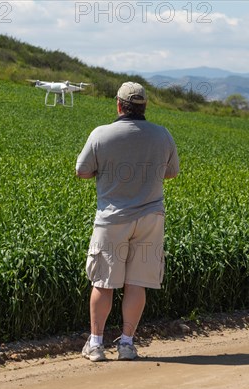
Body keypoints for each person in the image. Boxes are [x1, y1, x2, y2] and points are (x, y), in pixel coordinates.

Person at [76, 82, 179, 361]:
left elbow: (82, 171)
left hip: (112, 218)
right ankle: (127, 344)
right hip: (150, 218)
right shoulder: (162, 135)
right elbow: (171, 173)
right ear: (144, 106)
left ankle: (96, 345)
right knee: (137, 283)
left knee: (103, 281)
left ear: (119, 105)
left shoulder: (101, 134)